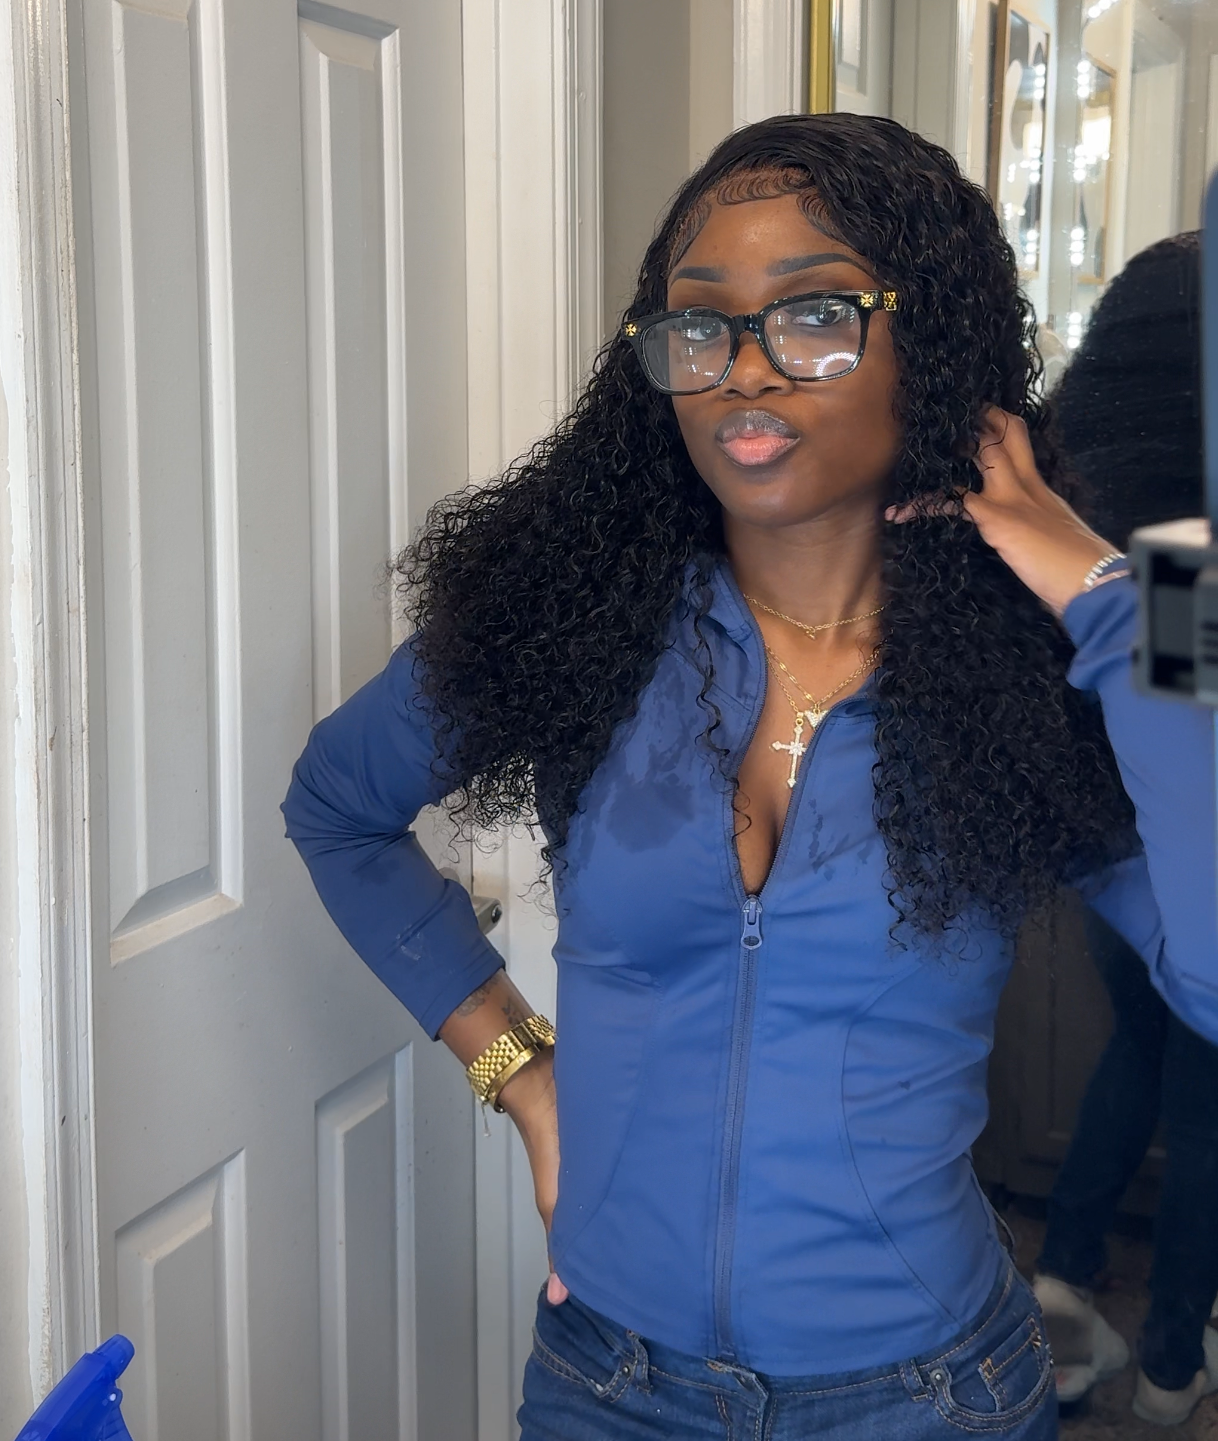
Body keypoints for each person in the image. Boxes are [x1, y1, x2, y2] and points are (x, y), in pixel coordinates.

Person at [283, 115, 1218, 1439]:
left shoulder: (1026, 667)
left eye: (814, 314)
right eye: (700, 325)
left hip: (925, 1399)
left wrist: (1112, 591)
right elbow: (335, 807)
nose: (744, 370)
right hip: (607, 1386)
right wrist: (522, 1074)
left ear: (930, 343)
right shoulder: (572, 620)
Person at [1031, 232, 1218, 1427]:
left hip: (1104, 841)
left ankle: (1061, 1285)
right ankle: (1169, 1363)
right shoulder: (1195, 560)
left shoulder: (1085, 510)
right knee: (1203, 1111)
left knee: (1136, 1054)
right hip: (1185, 853)